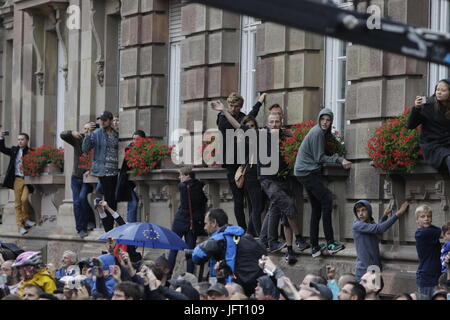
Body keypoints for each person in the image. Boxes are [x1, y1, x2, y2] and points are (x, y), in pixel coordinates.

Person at [294, 108, 351, 257]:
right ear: (319, 119)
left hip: (304, 172)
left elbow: (330, 143)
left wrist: (338, 151)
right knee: (327, 201)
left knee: (317, 207)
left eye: (328, 120)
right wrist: (340, 159)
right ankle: (331, 243)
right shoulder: (317, 132)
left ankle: (314, 247)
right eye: (323, 119)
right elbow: (319, 158)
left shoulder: (322, 133)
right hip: (307, 173)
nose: (325, 122)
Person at [257, 112, 309, 264]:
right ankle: (298, 238)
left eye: (277, 122)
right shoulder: (261, 136)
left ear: (281, 123)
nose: (274, 124)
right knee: (289, 205)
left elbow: (297, 148)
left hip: (283, 179)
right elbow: (241, 127)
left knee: (280, 211)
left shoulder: (286, 138)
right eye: (271, 122)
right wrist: (224, 112)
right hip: (267, 180)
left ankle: (275, 244)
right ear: (267, 124)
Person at [216, 92, 266, 231]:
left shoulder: (242, 117)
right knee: (238, 200)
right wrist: (224, 111)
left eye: (236, 106)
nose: (233, 108)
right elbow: (238, 126)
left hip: (245, 161)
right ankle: (242, 230)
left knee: (252, 200)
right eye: (231, 105)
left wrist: (259, 102)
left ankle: (251, 230)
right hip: (232, 163)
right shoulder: (222, 118)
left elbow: (251, 116)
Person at [191, 209, 266, 295]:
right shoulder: (239, 234)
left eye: (206, 223)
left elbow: (196, 255)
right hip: (248, 285)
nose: (204, 228)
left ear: (214, 223)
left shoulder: (219, 238)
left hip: (229, 287)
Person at [353, 200, 409, 281]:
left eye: (363, 210)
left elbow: (376, 228)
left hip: (375, 269)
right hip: (363, 271)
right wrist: (398, 214)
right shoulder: (357, 225)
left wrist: (385, 215)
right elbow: (379, 229)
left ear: (369, 210)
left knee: (375, 293)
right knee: (366, 293)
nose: (360, 213)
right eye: (358, 211)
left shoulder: (369, 224)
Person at [82, 110, 119, 232]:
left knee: (113, 199)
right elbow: (85, 148)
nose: (102, 122)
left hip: (116, 171)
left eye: (104, 120)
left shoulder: (116, 133)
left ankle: (110, 224)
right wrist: (88, 134)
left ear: (110, 120)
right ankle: (109, 228)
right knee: (109, 199)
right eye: (101, 120)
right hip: (104, 171)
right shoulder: (97, 133)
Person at [168, 166, 207, 279]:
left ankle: (168, 276)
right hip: (192, 223)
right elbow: (203, 201)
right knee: (190, 251)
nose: (179, 177)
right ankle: (190, 277)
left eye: (181, 175)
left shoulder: (182, 187)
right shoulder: (199, 186)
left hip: (180, 220)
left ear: (187, 176)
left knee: (173, 249)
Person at [60, 123, 97, 238]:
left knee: (82, 198)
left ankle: (90, 221)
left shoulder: (97, 140)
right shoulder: (78, 140)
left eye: (89, 129)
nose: (86, 131)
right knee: (77, 202)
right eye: (85, 129)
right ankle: (81, 228)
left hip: (88, 178)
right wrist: (71, 132)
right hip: (76, 177)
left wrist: (91, 170)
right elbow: (63, 135)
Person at [406, 78, 450, 174]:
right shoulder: (428, 105)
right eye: (437, 89)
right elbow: (410, 125)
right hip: (433, 145)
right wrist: (416, 108)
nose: (439, 92)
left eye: (443, 90)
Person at [0, 132, 35, 235]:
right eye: (19, 139)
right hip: (17, 179)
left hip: (27, 179)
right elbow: (2, 149)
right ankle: (20, 226)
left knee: (24, 199)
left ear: (27, 140)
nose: (20, 141)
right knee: (18, 203)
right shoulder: (14, 150)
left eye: (22, 139)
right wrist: (1, 137)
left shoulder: (30, 152)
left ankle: (26, 218)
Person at [116, 130, 146, 223]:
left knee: (134, 203)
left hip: (137, 181)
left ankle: (131, 224)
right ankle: (130, 225)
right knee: (133, 203)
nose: (135, 141)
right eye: (134, 139)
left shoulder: (146, 149)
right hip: (128, 181)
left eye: (138, 139)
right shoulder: (129, 149)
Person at [414, 204, 442, 298]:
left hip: (433, 277)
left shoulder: (430, 230)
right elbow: (443, 232)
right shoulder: (423, 233)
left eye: (429, 216)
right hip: (428, 279)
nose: (426, 218)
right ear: (417, 220)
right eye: (422, 216)